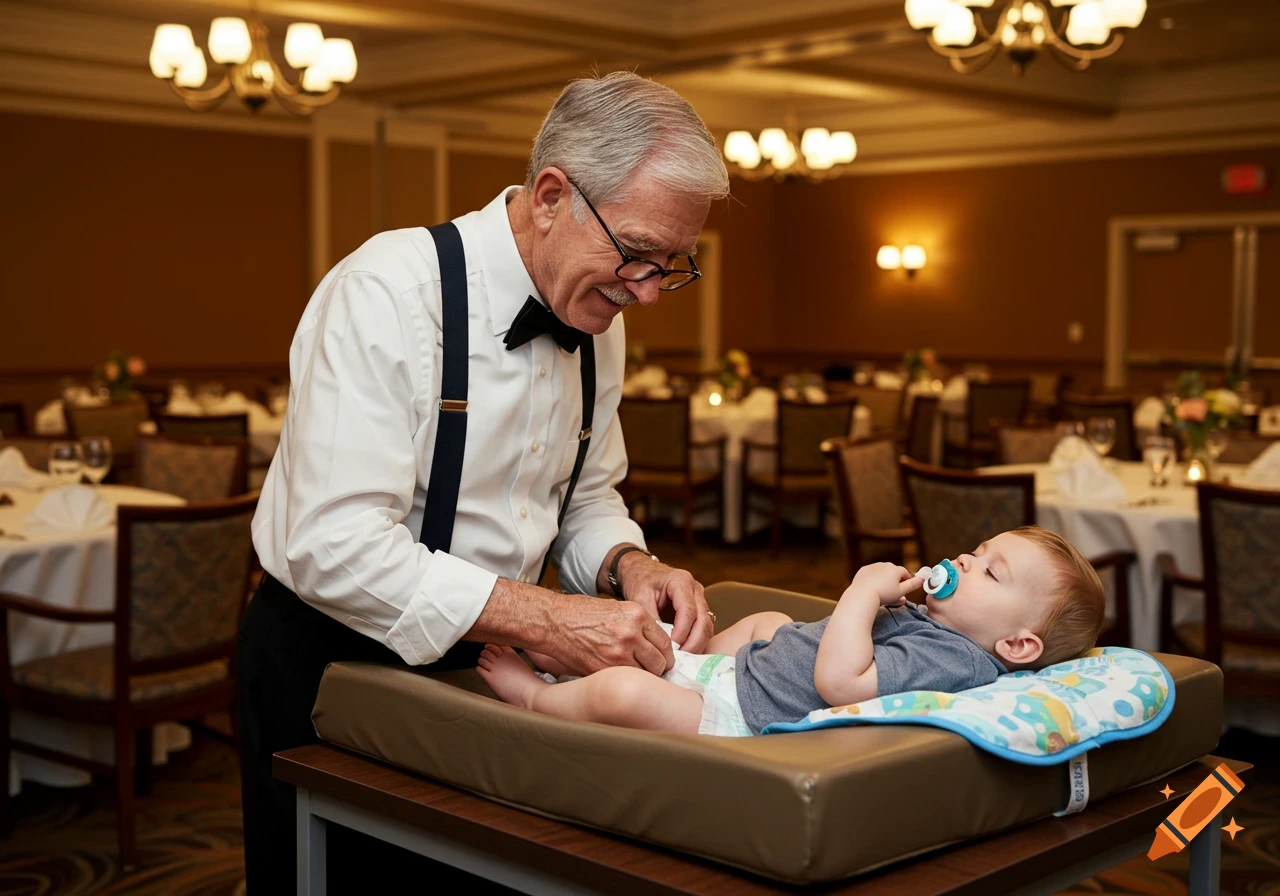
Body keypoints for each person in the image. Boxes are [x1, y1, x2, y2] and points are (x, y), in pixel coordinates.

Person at [237, 71, 730, 892]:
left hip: (488, 672)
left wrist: (626, 567)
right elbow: (332, 545)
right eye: (637, 253)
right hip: (330, 667)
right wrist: (549, 619)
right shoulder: (389, 292)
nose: (647, 291)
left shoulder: (596, 319)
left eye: (670, 266)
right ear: (549, 197)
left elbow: (586, 495)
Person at [477, 527, 1106, 736]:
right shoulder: (937, 624)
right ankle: (664, 653)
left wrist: (861, 591)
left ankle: (538, 696)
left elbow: (840, 682)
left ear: (1017, 645)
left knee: (622, 695)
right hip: (749, 676)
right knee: (770, 622)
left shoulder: (956, 661)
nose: (966, 561)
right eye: (977, 550)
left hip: (744, 719)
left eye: (989, 572)